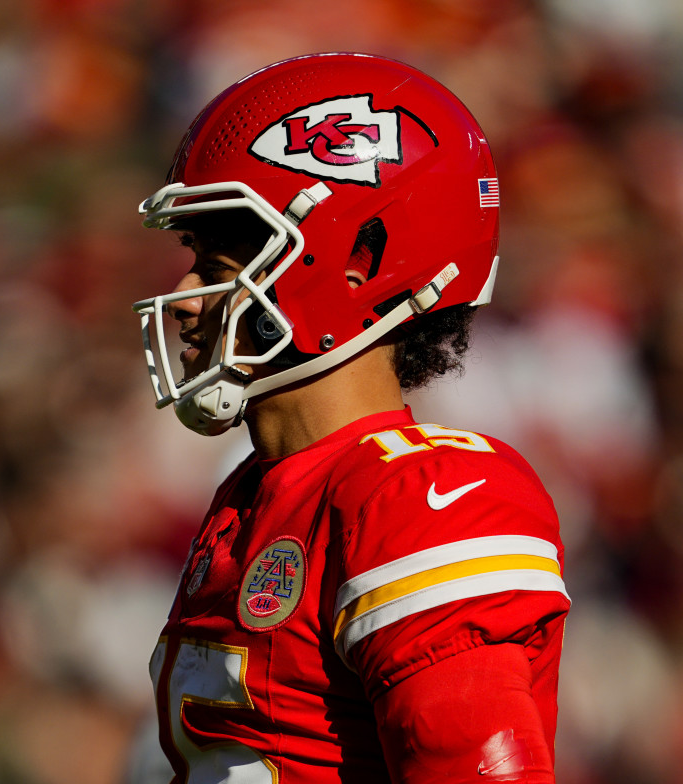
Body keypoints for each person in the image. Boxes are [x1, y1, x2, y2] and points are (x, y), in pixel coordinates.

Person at [131, 53, 570, 783]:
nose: (187, 295)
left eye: (220, 265)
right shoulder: (254, 495)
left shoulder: (427, 496)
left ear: (360, 263)